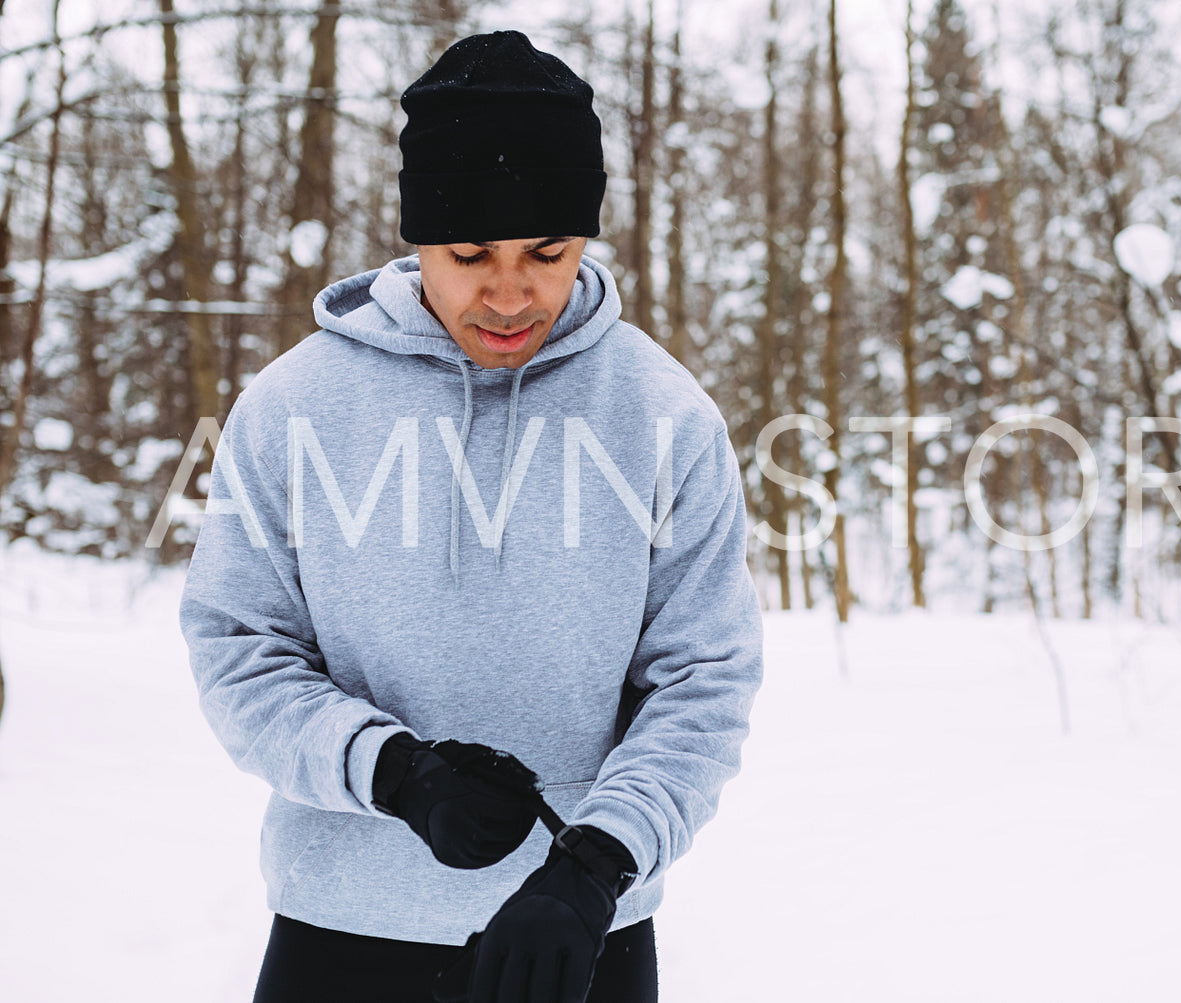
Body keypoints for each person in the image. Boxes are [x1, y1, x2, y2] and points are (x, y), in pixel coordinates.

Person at [179, 30, 764, 1003]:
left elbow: (703, 683)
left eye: (547, 251)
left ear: (585, 236)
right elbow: (239, 652)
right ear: (417, 237)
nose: (507, 292)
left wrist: (596, 863)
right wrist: (393, 772)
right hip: (340, 929)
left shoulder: (663, 418)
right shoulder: (295, 407)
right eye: (467, 253)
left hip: (578, 938)